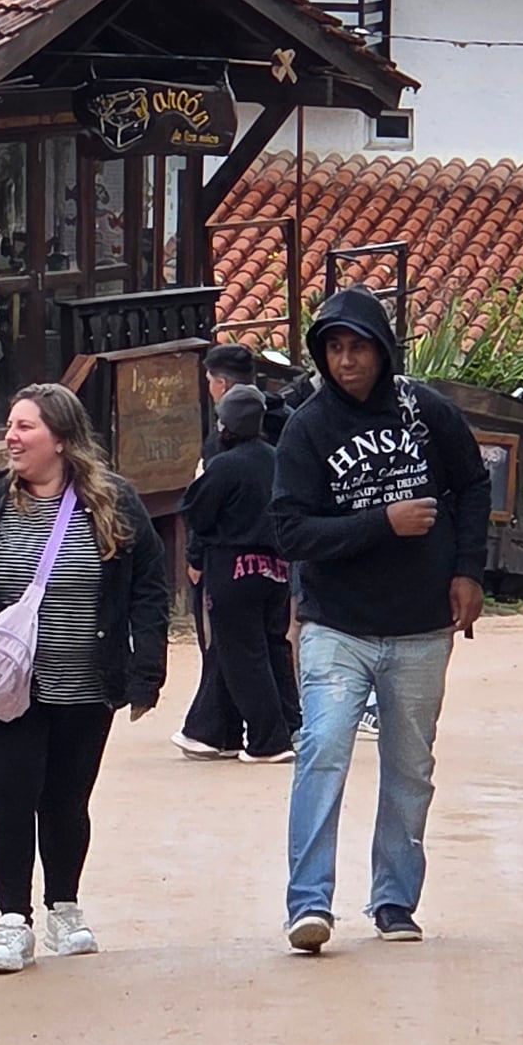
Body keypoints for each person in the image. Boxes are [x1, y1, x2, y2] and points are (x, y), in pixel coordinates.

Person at [0, 383, 169, 972]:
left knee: (67, 801)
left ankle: (64, 907)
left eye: (25, 427)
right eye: (10, 426)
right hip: (3, 686)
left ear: (60, 438)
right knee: (8, 797)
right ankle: (12, 920)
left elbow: (150, 587)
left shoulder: (114, 503)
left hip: (85, 682)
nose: (12, 437)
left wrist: (146, 668)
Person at [273, 286, 490, 949]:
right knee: (323, 750)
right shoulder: (308, 427)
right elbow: (289, 531)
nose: (347, 361)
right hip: (337, 624)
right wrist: (381, 523)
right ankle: (308, 903)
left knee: (408, 765)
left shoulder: (424, 411)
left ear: (382, 349)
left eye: (358, 347)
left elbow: (474, 481)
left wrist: (468, 570)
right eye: (334, 349)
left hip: (421, 624)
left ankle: (395, 898)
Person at [177, 385, 299, 761]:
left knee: (241, 652)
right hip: (277, 567)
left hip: (232, 567)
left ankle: (269, 741)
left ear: (226, 424)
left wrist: (195, 555)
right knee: (267, 646)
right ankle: (216, 732)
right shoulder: (278, 459)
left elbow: (196, 511)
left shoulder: (225, 466)